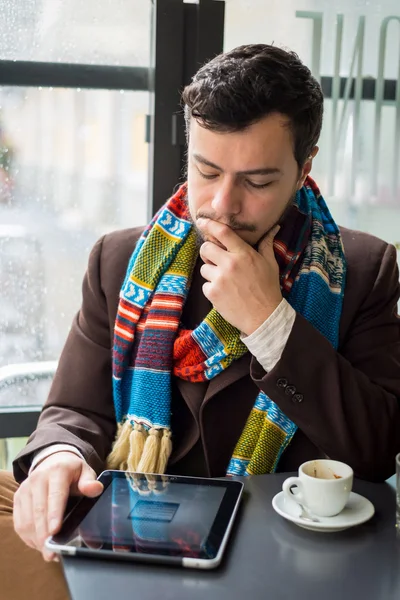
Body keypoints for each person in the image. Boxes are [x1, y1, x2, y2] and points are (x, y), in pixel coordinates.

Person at [1, 43, 399, 599]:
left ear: (304, 169)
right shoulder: (119, 261)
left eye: (257, 182)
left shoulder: (363, 270)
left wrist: (269, 322)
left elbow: (377, 449)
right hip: (136, 540)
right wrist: (59, 457)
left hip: (283, 556)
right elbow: (74, 410)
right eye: (206, 170)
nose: (221, 204)